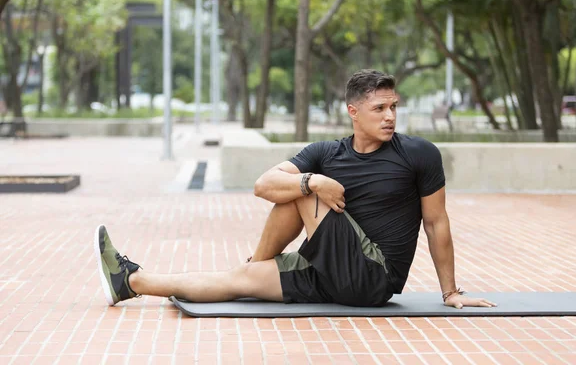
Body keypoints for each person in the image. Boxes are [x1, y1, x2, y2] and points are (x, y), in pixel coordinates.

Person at [95, 69, 496, 309]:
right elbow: (262, 185)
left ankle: (258, 259)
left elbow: (436, 223)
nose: (390, 116)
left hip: (375, 278)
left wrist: (451, 292)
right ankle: (132, 281)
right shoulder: (326, 153)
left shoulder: (419, 154)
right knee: (238, 279)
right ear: (353, 112)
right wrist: (314, 178)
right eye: (380, 108)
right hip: (327, 270)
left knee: (301, 192)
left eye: (394, 107)